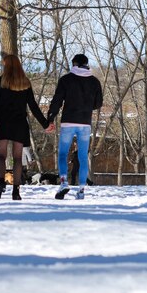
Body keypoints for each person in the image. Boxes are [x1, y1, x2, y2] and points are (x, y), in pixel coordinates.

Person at [0, 54, 49, 200]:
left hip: (3, 122)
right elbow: (33, 106)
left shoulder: (0, 81)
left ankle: (1, 183)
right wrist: (45, 124)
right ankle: (16, 191)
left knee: (1, 156)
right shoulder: (25, 83)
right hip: (19, 124)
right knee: (17, 158)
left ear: (6, 65)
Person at [46, 53, 102, 200]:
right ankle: (82, 189)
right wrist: (87, 106)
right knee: (83, 157)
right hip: (85, 123)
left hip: (68, 121)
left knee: (63, 154)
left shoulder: (66, 80)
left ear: (75, 64)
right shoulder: (95, 82)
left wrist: (50, 118)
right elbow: (98, 103)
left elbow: (57, 100)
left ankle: (64, 182)